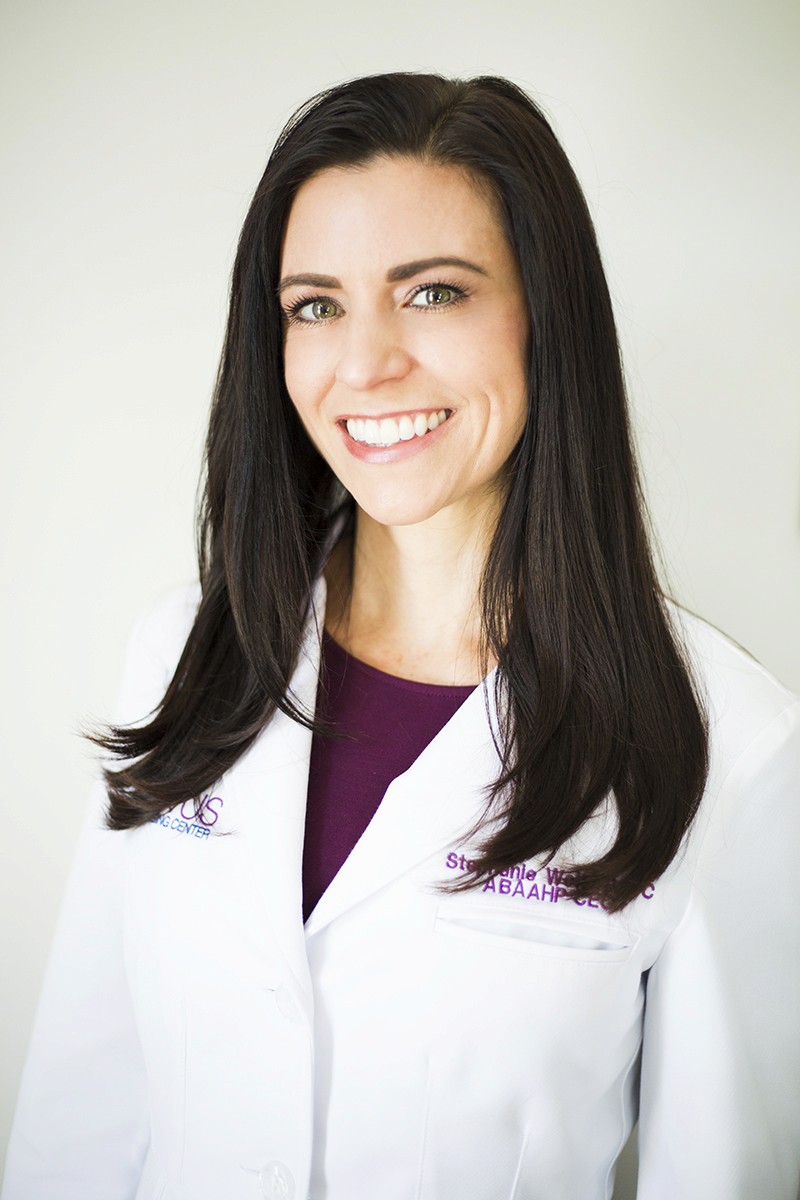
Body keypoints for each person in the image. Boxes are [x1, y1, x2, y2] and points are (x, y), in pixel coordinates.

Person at [3, 72, 799, 1200]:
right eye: (314, 306)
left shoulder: (728, 745)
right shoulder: (184, 657)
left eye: (431, 293)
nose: (364, 364)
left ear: (543, 316)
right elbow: (75, 1136)